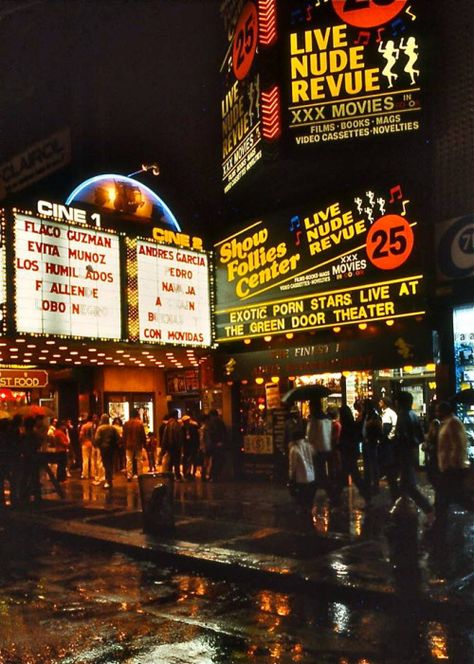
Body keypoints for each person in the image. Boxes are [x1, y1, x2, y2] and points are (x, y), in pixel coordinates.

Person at [394, 391, 433, 518]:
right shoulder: (414, 415)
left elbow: (402, 437)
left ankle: (428, 510)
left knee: (409, 485)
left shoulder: (403, 416)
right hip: (412, 451)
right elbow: (421, 436)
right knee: (405, 483)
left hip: (404, 453)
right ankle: (401, 512)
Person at [434, 401, 469, 526]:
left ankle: (439, 526)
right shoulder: (446, 423)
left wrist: (452, 465)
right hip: (448, 467)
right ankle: (440, 524)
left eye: (438, 410)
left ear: (444, 411)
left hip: (452, 468)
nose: (436, 413)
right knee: (454, 497)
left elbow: (458, 445)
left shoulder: (453, 423)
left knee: (441, 499)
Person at [335, 405, 369, 503]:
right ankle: (366, 495)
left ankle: (336, 497)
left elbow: (344, 442)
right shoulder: (353, 425)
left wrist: (338, 446)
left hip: (347, 453)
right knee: (352, 475)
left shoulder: (346, 427)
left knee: (350, 475)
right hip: (352, 452)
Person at [306, 398, 334, 503]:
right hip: (327, 448)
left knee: (318, 474)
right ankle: (331, 495)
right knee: (320, 473)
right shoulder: (327, 419)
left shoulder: (314, 420)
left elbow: (310, 436)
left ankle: (332, 495)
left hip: (317, 450)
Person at [288, 426, 315, 513]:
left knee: (301, 497)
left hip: (301, 477)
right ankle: (308, 512)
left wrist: (291, 476)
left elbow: (293, 465)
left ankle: (303, 514)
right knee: (309, 497)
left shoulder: (294, 449)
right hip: (311, 476)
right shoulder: (309, 446)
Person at [379, 396, 399, 502]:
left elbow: (394, 426)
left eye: (381, 401)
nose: (379, 402)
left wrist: (390, 436)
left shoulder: (391, 413)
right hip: (384, 439)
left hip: (388, 440)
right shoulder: (383, 413)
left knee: (389, 456)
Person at [361, 399, 383, 497]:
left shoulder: (374, 415)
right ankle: (369, 483)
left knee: (372, 463)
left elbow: (378, 429)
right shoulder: (367, 415)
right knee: (368, 463)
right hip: (367, 442)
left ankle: (375, 484)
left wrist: (372, 438)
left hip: (371, 442)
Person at [94, 414, 120, 488]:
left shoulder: (100, 428)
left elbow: (97, 439)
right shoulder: (112, 428)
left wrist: (97, 445)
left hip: (103, 448)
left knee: (106, 464)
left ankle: (108, 480)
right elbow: (118, 438)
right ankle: (110, 479)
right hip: (112, 448)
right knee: (111, 464)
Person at [122, 409, 147, 481]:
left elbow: (124, 435)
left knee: (129, 460)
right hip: (138, 444)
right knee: (139, 460)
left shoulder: (126, 424)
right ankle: (140, 475)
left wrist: (124, 444)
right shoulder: (140, 423)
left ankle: (129, 476)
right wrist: (144, 444)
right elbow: (143, 435)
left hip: (128, 444)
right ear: (137, 415)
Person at [160, 410, 182, 480]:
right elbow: (178, 436)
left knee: (170, 462)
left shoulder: (168, 424)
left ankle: (169, 476)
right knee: (176, 462)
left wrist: (164, 447)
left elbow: (164, 437)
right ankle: (177, 475)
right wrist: (179, 445)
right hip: (175, 446)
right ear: (175, 415)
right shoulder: (176, 424)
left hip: (169, 446)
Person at [207, 409, 228, 481]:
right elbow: (224, 433)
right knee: (218, 461)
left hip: (215, 445)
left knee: (215, 461)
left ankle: (213, 476)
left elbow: (212, 434)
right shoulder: (220, 422)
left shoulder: (213, 422)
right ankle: (215, 476)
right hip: (219, 445)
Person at [180, 414, 200, 479]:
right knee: (186, 460)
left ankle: (193, 473)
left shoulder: (194, 427)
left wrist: (197, 446)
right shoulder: (182, 428)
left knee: (193, 460)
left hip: (193, 445)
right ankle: (186, 473)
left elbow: (197, 437)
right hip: (186, 446)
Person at [79, 415, 95, 480]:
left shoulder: (84, 426)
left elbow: (81, 435)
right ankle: (93, 474)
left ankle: (85, 474)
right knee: (92, 459)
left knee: (85, 459)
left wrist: (80, 441)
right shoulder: (94, 426)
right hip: (92, 444)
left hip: (85, 443)